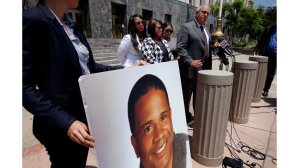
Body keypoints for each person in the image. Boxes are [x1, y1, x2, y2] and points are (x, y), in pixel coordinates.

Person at [23, 0, 143, 167]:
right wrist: (66, 122)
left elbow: (90, 68)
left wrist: (126, 70)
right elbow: (23, 88)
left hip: (84, 118)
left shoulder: (72, 25)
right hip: (60, 126)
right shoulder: (31, 20)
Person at [128, 74, 188, 168]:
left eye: (163, 118)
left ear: (171, 117)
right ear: (135, 145)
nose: (159, 135)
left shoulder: (188, 147)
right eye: (148, 128)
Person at [176, 4, 212, 126]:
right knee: (186, 96)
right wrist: (190, 61)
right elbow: (180, 47)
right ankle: (184, 118)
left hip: (203, 69)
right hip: (189, 70)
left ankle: (197, 117)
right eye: (203, 12)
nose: (206, 15)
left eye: (208, 13)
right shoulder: (187, 27)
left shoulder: (206, 29)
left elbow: (205, 47)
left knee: (199, 95)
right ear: (197, 13)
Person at [255, 22, 277, 97]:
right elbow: (261, 40)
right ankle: (256, 87)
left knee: (271, 73)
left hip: (275, 55)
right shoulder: (269, 28)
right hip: (265, 53)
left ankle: (266, 89)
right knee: (260, 71)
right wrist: (257, 50)